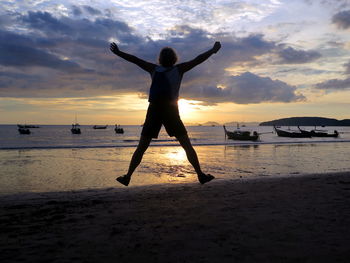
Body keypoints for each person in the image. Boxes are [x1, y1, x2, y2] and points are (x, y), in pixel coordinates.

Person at [110, 41, 221, 186]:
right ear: (174, 58)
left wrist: (119, 53)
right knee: (186, 145)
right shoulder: (179, 69)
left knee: (142, 147)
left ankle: (128, 176)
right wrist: (212, 50)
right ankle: (200, 175)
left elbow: (135, 60)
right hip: (171, 111)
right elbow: (197, 60)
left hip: (154, 110)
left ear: (160, 59)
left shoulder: (154, 69)